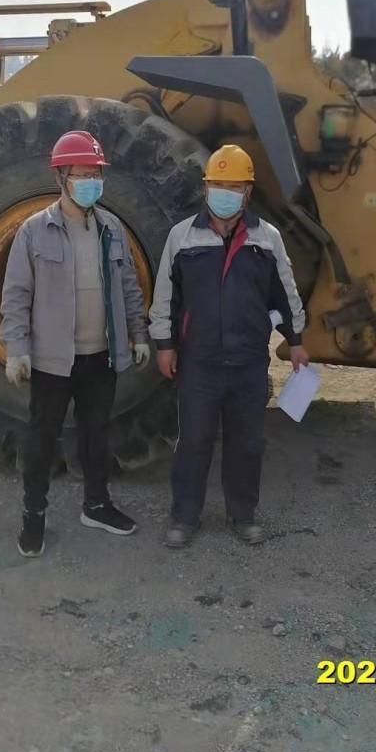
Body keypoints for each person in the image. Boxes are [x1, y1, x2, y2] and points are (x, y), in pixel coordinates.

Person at [0, 130, 151, 558]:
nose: (91, 182)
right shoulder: (34, 231)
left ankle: (96, 506)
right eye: (82, 174)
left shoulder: (111, 228)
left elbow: (129, 287)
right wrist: (16, 349)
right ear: (60, 178)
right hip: (52, 361)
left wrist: (138, 334)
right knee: (41, 440)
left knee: (96, 435)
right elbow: (16, 295)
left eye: (96, 174)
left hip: (100, 357)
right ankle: (33, 517)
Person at [148, 144, 309, 548]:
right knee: (194, 441)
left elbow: (286, 292)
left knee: (247, 444)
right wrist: (165, 344)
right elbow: (165, 296)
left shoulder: (267, 238)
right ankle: (184, 517)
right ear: (205, 188)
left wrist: (297, 341)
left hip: (249, 363)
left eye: (234, 186)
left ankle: (243, 515)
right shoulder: (182, 236)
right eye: (218, 185)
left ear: (248, 192)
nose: (225, 193)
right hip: (199, 362)